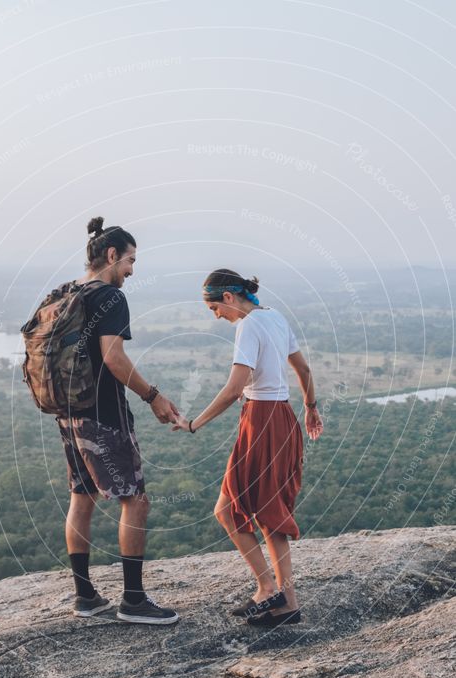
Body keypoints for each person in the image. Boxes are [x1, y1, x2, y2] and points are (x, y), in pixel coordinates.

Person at [173, 269, 323, 626]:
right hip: (284, 416)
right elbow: (302, 368)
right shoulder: (274, 316)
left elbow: (232, 388)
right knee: (271, 514)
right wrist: (311, 407)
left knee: (227, 510)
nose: (217, 316)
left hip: (261, 420)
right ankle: (286, 601)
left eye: (214, 308)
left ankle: (267, 588)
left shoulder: (248, 325)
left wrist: (194, 424)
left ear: (228, 298)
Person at [56, 216, 179, 625]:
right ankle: (133, 601)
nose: (131, 270)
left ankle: (85, 596)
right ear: (111, 255)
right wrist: (153, 397)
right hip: (104, 415)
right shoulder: (110, 297)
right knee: (135, 500)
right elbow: (114, 357)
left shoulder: (70, 293)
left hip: (69, 413)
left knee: (82, 497)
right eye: (130, 260)